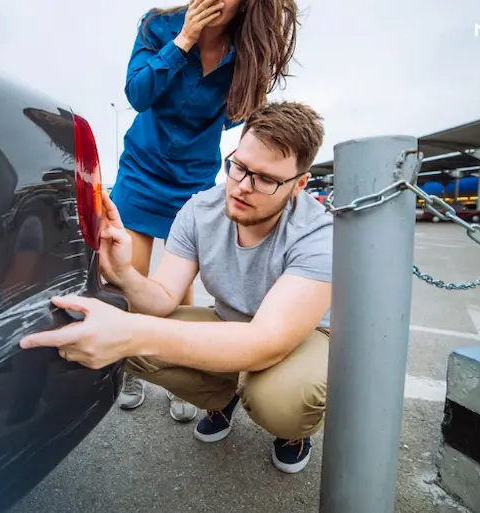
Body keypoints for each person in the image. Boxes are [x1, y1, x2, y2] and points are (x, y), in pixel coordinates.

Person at [21, 101, 332, 474]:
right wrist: (124, 274)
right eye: (238, 167)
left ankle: (293, 432)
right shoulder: (201, 209)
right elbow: (162, 300)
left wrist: (132, 333)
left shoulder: (318, 232)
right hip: (230, 322)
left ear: (299, 184)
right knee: (126, 326)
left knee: (281, 401)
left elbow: (267, 341)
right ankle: (223, 397)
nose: (242, 187)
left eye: (265, 179)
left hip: (301, 336)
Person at [110, 0, 301, 420]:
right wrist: (183, 42)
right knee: (131, 273)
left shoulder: (246, 51)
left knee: (178, 284)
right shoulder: (159, 25)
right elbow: (137, 93)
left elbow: (238, 116)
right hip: (142, 168)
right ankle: (131, 366)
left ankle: (184, 368)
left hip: (194, 176)